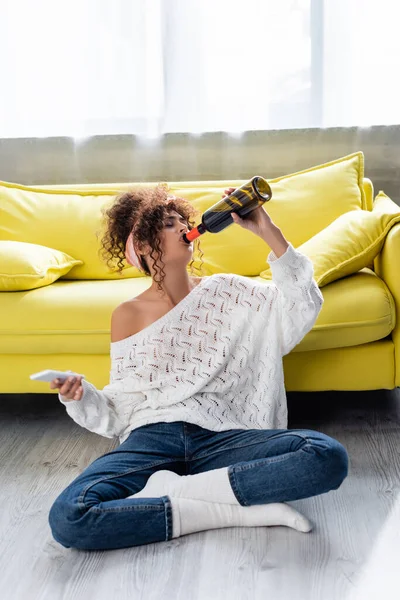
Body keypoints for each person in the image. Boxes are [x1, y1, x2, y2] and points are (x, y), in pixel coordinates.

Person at [48, 184, 348, 551]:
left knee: (326, 457)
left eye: (181, 221)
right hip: (152, 437)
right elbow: (119, 408)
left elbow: (301, 306)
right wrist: (80, 396)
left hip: (224, 435)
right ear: (141, 246)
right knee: (69, 516)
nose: (182, 228)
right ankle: (229, 508)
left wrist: (267, 230)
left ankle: (180, 495)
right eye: (168, 224)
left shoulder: (228, 291)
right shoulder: (127, 315)